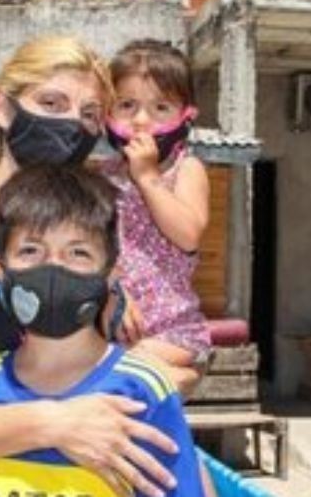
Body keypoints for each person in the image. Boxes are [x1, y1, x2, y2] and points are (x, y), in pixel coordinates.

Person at [0, 36, 182, 497]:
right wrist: (56, 425)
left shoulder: (96, 223)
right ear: (3, 108)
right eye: (51, 103)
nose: (70, 124)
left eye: (88, 114)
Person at [0, 165, 203, 497]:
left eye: (78, 253)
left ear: (111, 275)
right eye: (30, 251)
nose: (53, 268)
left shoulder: (143, 392)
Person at [99, 39, 211, 393]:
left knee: (124, 372)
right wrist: (110, 286)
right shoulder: (100, 177)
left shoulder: (186, 169)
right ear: (107, 113)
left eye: (160, 107)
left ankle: (169, 380)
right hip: (109, 322)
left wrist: (147, 177)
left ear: (186, 116)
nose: (141, 121)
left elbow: (188, 234)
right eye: (127, 105)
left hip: (170, 330)